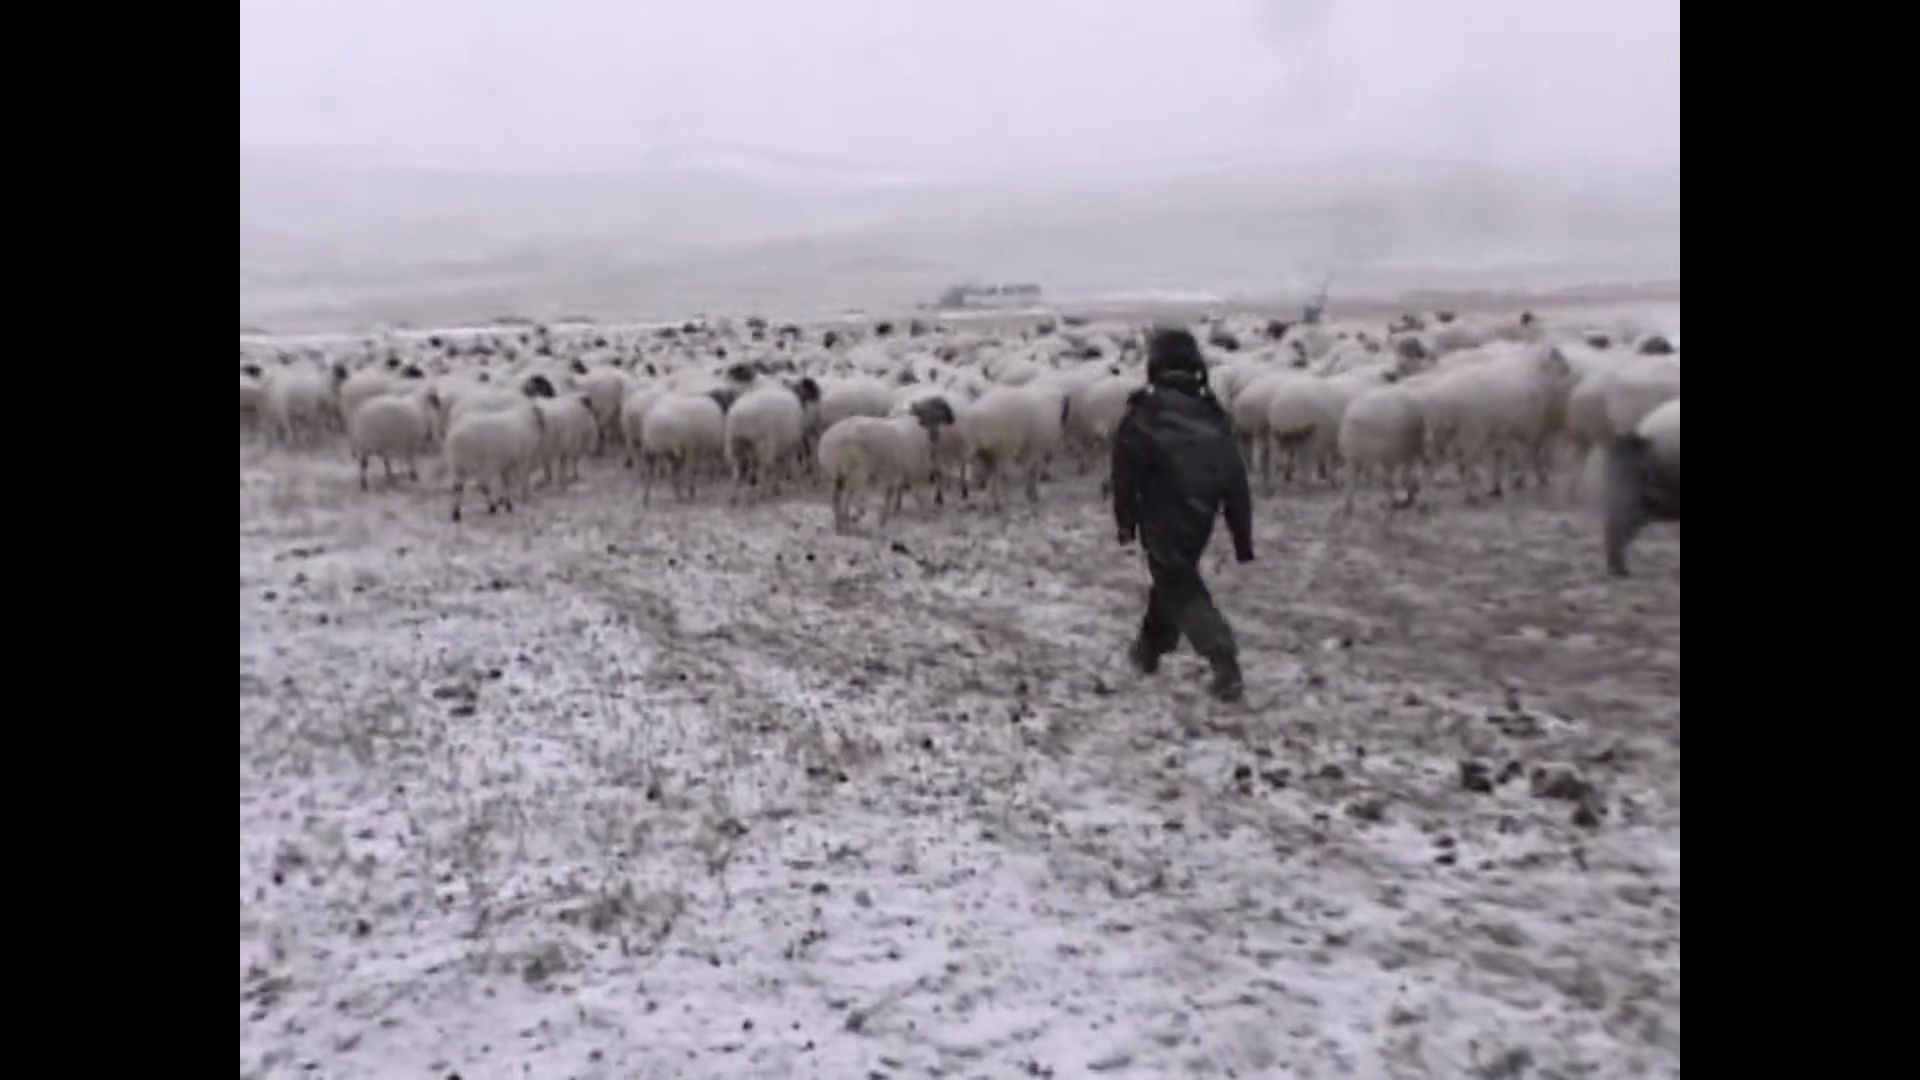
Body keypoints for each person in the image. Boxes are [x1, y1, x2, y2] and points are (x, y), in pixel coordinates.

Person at [1110, 326, 1255, 703]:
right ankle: (1149, 650)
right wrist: (1240, 531)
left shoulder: (1145, 414)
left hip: (1160, 511)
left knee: (1178, 583)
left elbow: (1124, 472)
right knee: (1173, 575)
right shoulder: (1212, 415)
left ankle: (1223, 660)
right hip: (1200, 514)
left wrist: (1125, 521)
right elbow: (1234, 474)